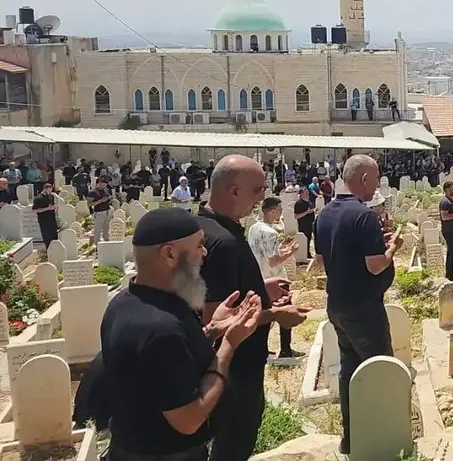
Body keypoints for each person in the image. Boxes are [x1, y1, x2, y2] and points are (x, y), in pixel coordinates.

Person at [100, 209, 262, 461]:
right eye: (198, 245)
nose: (204, 252)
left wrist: (212, 329)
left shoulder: (125, 303)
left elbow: (161, 365)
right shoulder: (160, 327)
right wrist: (229, 344)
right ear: (170, 254)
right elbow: (189, 420)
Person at [198, 155, 308, 460]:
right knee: (233, 445)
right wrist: (276, 314)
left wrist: (260, 288)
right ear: (234, 191)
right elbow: (215, 319)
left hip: (230, 367)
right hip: (236, 369)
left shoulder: (206, 227)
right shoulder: (223, 243)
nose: (262, 198)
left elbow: (225, 290)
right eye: (258, 190)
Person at [314, 154, 399, 453]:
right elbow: (375, 266)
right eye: (375, 179)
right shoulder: (364, 216)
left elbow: (321, 261)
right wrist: (392, 249)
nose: (376, 186)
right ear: (364, 179)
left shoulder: (324, 214)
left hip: (337, 304)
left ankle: (350, 436)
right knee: (381, 368)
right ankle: (385, 439)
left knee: (349, 369)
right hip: (364, 307)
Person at [246, 197, 299, 362]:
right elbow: (274, 261)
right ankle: (285, 350)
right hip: (276, 279)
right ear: (272, 211)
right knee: (286, 312)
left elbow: (263, 252)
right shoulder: (271, 233)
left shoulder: (254, 228)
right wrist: (290, 253)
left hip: (260, 276)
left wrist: (283, 250)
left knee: (264, 316)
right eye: (280, 210)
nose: (281, 213)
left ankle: (262, 350)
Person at [438, 181, 453, 281]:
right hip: (449, 231)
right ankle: (449, 274)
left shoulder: (450, 201)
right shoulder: (445, 202)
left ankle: (450, 272)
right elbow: (444, 217)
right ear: (447, 190)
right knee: (451, 252)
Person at [292, 187, 315, 264]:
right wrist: (306, 212)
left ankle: (308, 254)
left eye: (307, 192)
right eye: (306, 192)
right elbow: (296, 216)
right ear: (301, 194)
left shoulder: (309, 201)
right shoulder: (299, 203)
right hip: (303, 225)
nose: (307, 193)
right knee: (305, 240)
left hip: (310, 224)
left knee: (309, 240)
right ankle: (305, 256)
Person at [32, 183, 58, 247]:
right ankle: (48, 249)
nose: (50, 192)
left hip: (52, 219)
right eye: (49, 190)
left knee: (54, 236)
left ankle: (55, 249)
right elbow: (34, 210)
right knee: (47, 237)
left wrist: (54, 207)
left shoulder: (51, 196)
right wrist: (47, 208)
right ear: (45, 189)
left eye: (51, 190)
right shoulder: (38, 198)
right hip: (44, 220)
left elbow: (52, 205)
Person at [89, 176, 113, 245]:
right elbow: (89, 204)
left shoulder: (107, 190)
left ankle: (106, 242)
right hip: (99, 212)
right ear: (99, 183)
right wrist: (101, 201)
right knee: (98, 229)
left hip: (107, 211)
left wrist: (110, 199)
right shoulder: (93, 192)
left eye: (105, 183)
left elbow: (108, 199)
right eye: (103, 183)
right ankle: (97, 244)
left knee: (106, 229)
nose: (104, 184)